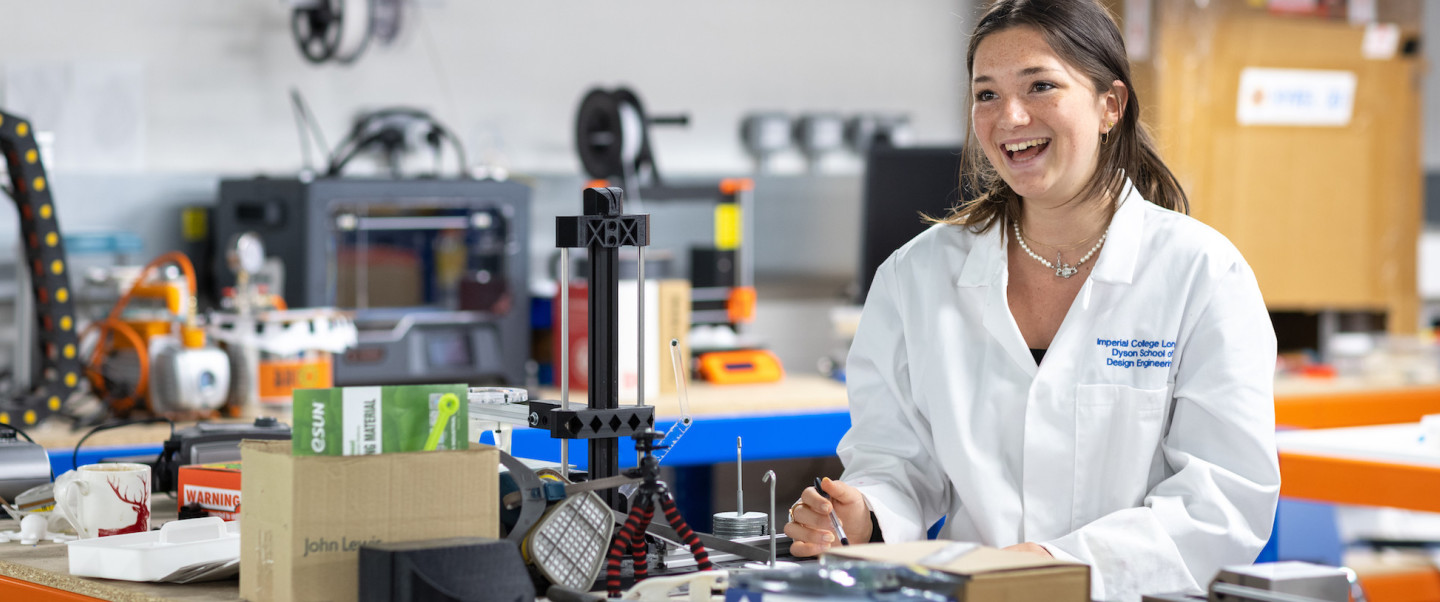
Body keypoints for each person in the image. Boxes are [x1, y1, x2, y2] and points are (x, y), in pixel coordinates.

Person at [782, 1, 1280, 600]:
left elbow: (1223, 501)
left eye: (1040, 85)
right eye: (985, 94)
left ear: (1109, 106)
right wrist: (863, 513)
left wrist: (1055, 562)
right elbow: (896, 460)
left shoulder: (1201, 274)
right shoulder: (917, 277)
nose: (1010, 116)